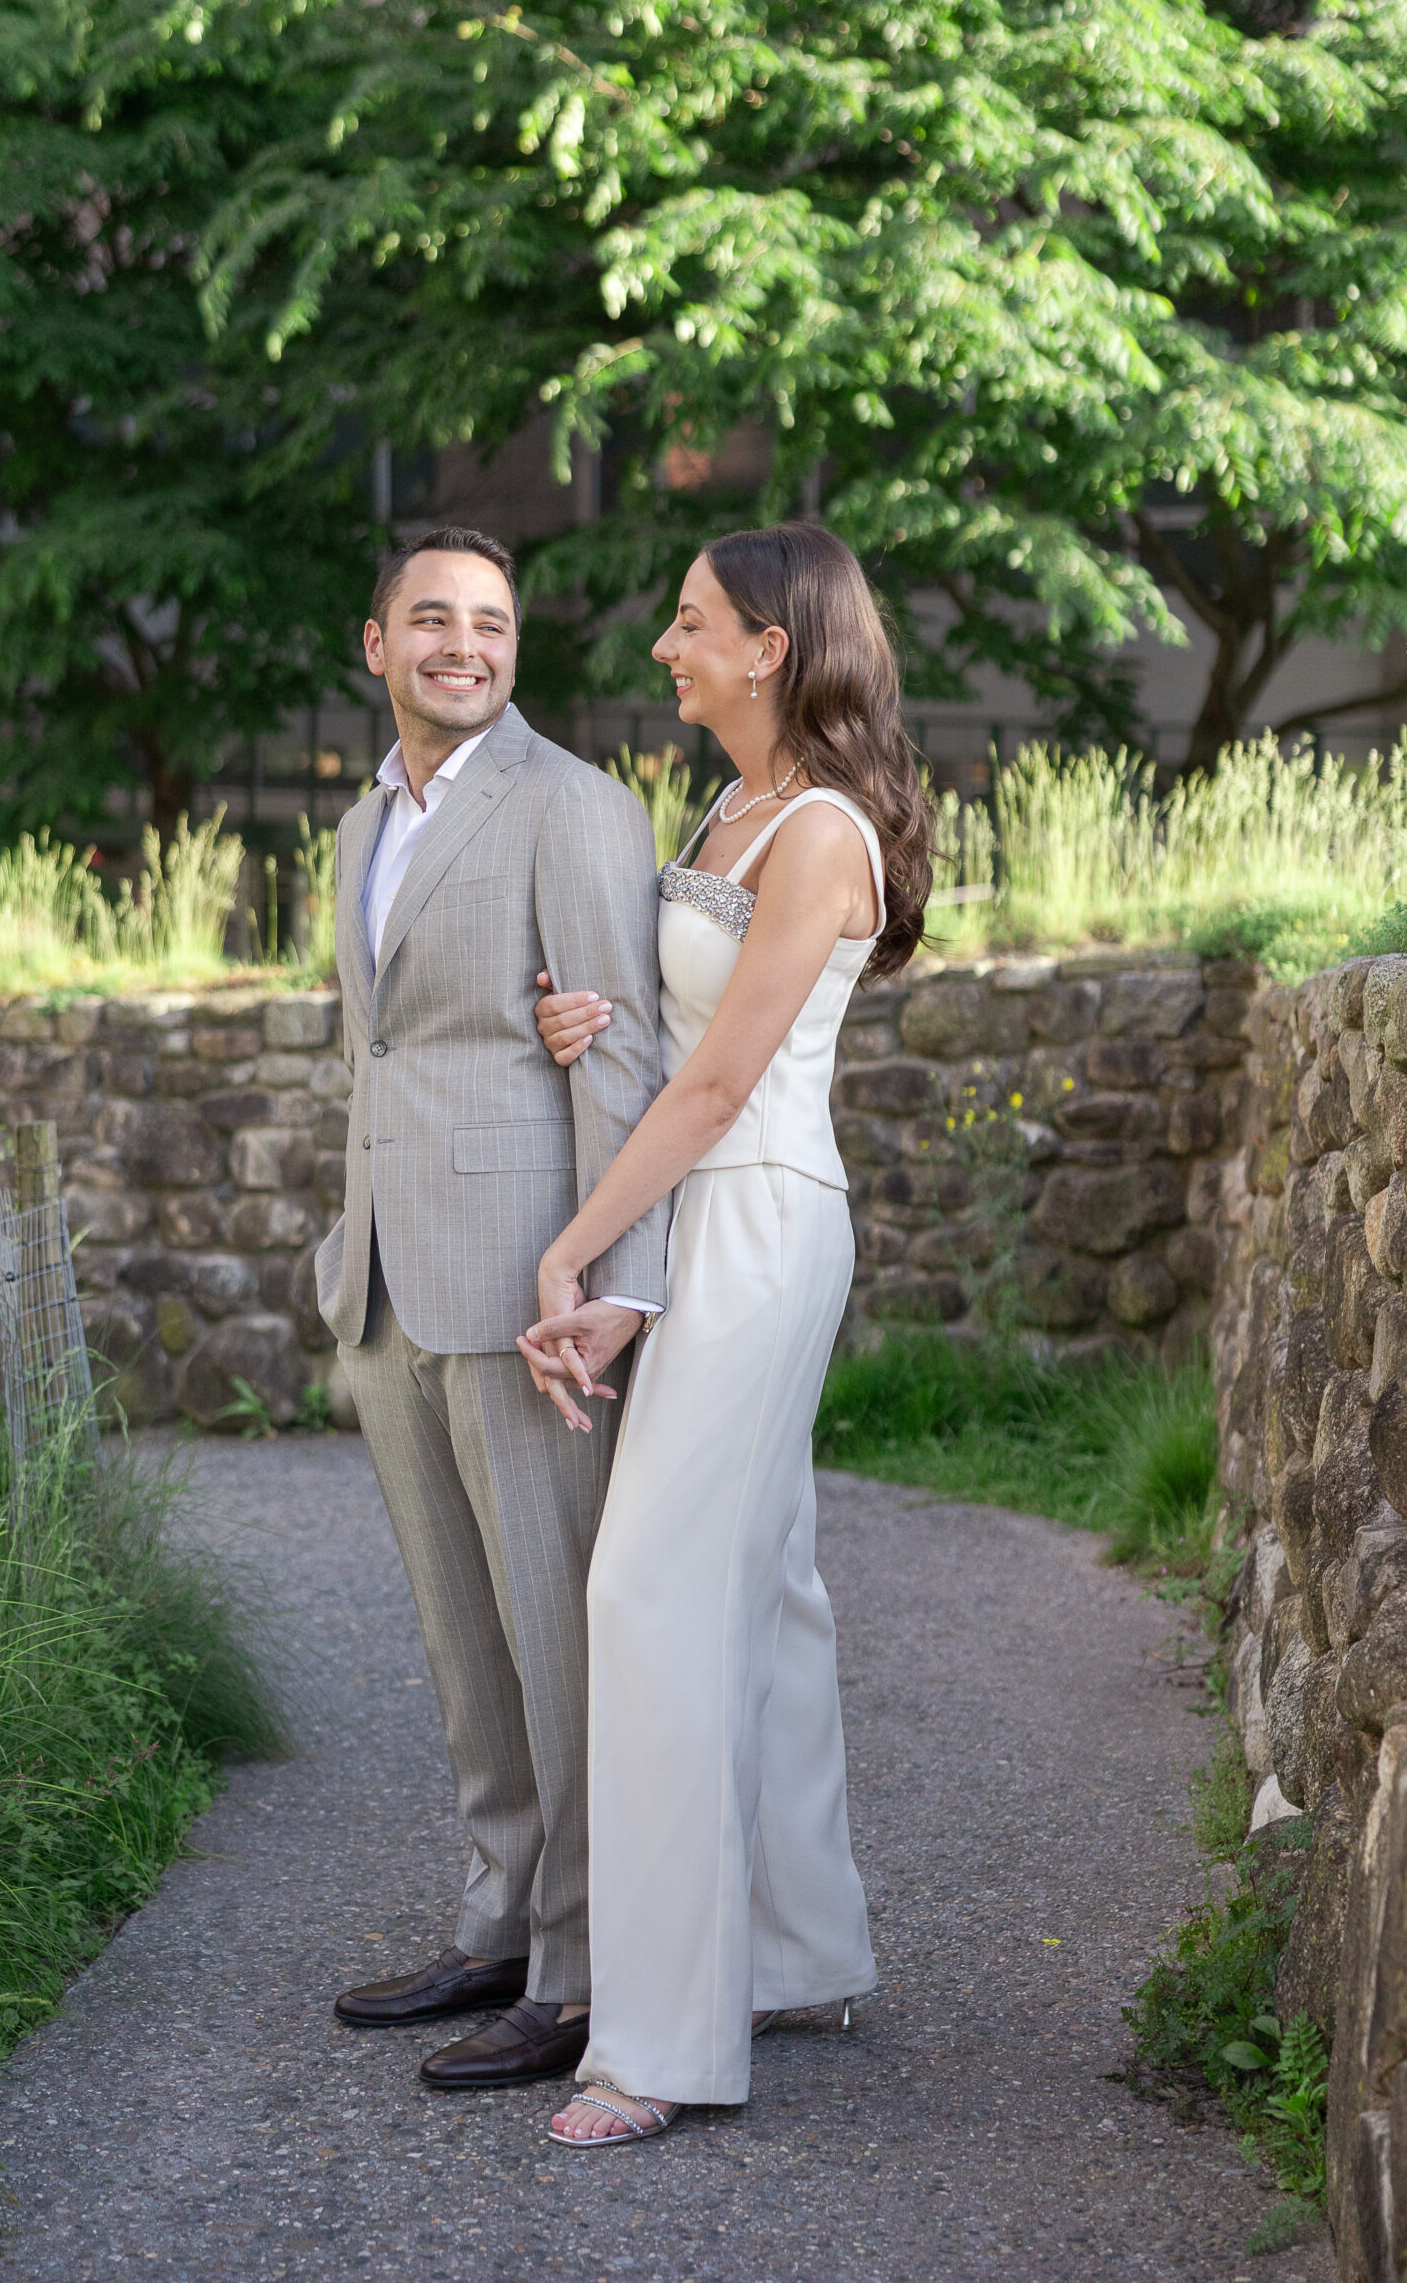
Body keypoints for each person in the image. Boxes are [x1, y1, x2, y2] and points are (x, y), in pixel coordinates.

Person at [518, 521, 934, 2146]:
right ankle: (795, 1951)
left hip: (760, 1218)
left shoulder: (821, 832)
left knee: (653, 1590)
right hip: (715, 1213)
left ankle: (668, 2042)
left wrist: (576, 1246)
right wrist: (586, 1016)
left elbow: (719, 1088)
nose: (662, 646)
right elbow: (677, 1024)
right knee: (765, 1585)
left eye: (689, 623)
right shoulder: (730, 807)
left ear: (772, 644)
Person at [318, 524, 669, 2091]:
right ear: (376, 644)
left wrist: (610, 1286)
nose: (468, 644)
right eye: (435, 621)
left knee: (555, 1633)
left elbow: (622, 1064)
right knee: (468, 1644)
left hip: (529, 1281)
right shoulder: (356, 827)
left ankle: (587, 1972)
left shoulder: (577, 809)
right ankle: (502, 1919)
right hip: (387, 1274)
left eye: (495, 623)